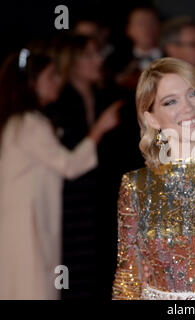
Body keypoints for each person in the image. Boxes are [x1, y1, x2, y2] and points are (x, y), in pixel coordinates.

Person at [0, 49, 121, 300]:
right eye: (51, 76)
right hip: (28, 221)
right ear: (32, 83)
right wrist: (98, 129)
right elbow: (70, 165)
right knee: (32, 284)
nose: (58, 81)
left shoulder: (20, 121)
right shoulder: (29, 122)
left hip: (24, 217)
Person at [112, 57, 195, 300]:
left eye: (194, 93)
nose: (187, 108)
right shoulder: (136, 185)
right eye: (170, 101)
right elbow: (128, 276)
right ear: (152, 118)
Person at [45, 34, 124, 299]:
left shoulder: (109, 96)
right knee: (73, 278)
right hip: (71, 207)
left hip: (105, 204)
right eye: (89, 56)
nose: (98, 60)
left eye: (98, 53)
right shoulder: (57, 106)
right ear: (71, 62)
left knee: (105, 274)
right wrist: (99, 129)